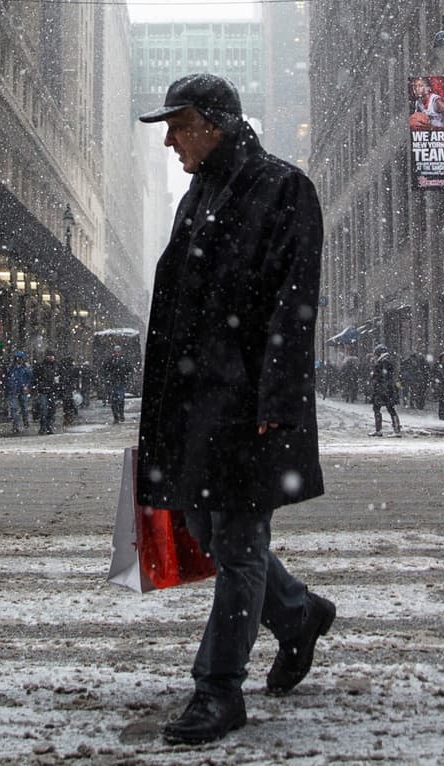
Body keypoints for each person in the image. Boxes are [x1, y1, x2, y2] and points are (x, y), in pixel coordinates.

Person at [136, 73, 336, 745]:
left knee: (241, 544)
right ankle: (298, 612)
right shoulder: (200, 194)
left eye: (179, 126)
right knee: (207, 528)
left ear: (214, 125)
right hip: (197, 403)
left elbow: (293, 300)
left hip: (250, 402)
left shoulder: (282, 187)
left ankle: (219, 689)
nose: (169, 141)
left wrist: (277, 399)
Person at [368, 344, 402, 436]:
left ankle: (383, 430)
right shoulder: (387, 360)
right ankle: (395, 429)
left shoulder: (384, 362)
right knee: (390, 409)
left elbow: (383, 376)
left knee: (380, 408)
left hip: (383, 389)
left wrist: (377, 381)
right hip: (386, 389)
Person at [100, 345, 133, 424]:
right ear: (114, 352)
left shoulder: (124, 360)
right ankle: (116, 417)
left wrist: (126, 377)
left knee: (121, 399)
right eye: (116, 352)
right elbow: (103, 369)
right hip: (112, 383)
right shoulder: (110, 360)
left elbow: (130, 370)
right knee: (113, 400)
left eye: (118, 352)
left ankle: (121, 414)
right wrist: (107, 377)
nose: (117, 353)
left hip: (121, 382)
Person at [34, 350, 62, 435]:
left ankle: (48, 426)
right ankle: (43, 427)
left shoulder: (56, 366)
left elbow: (60, 378)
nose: (50, 358)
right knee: (44, 409)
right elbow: (36, 377)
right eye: (49, 356)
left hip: (52, 390)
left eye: (52, 356)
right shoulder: (41, 366)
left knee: (51, 410)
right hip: (44, 390)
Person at [5, 351, 33, 434]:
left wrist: (26, 386)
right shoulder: (11, 368)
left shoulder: (26, 368)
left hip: (22, 390)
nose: (18, 360)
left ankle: (25, 420)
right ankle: (15, 426)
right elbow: (8, 378)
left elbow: (30, 378)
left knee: (24, 407)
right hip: (13, 390)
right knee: (14, 409)